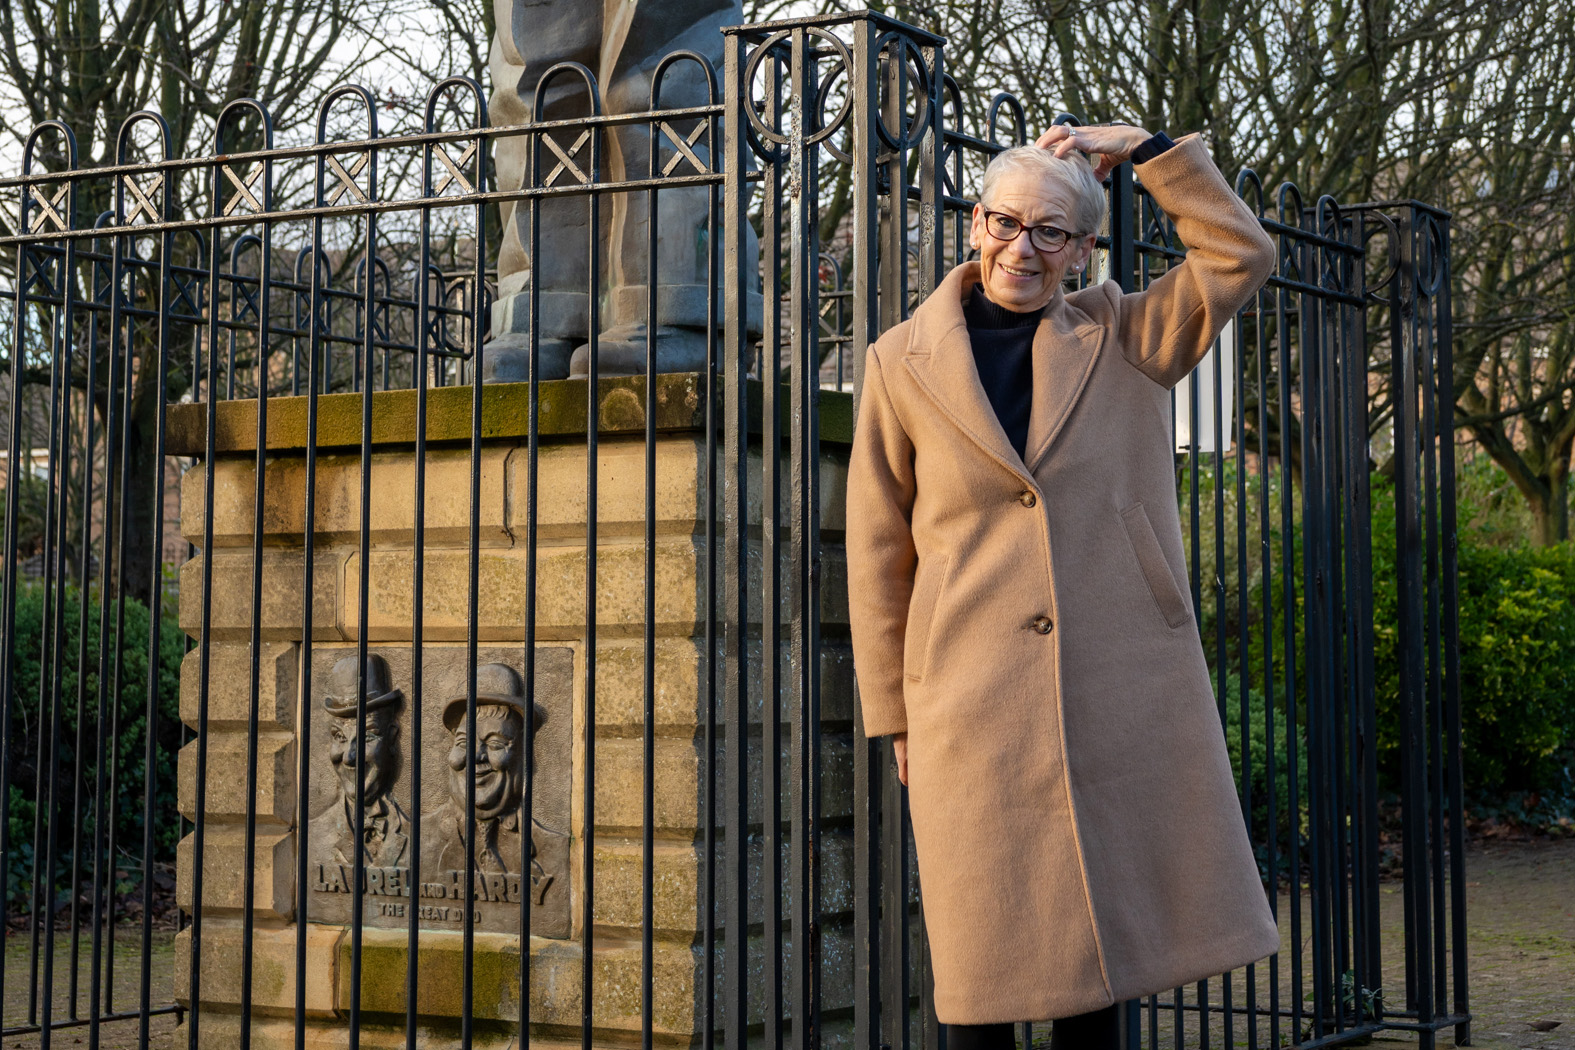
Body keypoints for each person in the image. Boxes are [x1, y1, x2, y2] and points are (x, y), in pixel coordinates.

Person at [845, 123, 1281, 1048]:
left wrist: (1152, 151)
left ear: (1084, 249)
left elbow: (1240, 251)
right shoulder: (898, 361)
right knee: (978, 978)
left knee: (1098, 969)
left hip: (1112, 690)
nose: (1023, 248)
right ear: (975, 224)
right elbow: (879, 550)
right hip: (964, 699)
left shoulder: (1124, 334)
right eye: (1007, 223)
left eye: (1052, 233)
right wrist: (895, 717)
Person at [312, 653, 411, 868]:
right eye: (340, 737)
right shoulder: (312, 836)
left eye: (366, 737)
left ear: (392, 738)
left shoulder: (425, 835)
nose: (349, 757)